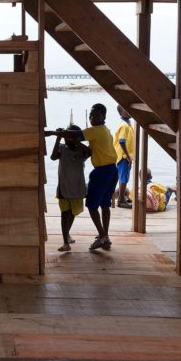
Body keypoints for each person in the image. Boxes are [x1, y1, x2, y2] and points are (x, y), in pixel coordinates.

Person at [79, 103, 119, 251]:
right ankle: (105, 236)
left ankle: (103, 237)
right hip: (112, 170)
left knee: (92, 206)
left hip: (101, 172)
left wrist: (53, 133)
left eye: (95, 115)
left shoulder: (94, 130)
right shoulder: (105, 130)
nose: (91, 117)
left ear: (103, 117)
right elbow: (91, 149)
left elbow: (74, 135)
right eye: (90, 115)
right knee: (105, 204)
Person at [50, 124, 91, 252]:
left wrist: (76, 141)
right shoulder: (61, 148)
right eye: (67, 136)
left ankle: (67, 233)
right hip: (64, 187)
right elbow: (53, 157)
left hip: (77, 188)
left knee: (73, 212)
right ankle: (65, 242)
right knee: (64, 213)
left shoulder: (81, 150)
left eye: (71, 136)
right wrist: (58, 137)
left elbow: (90, 152)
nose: (68, 138)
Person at [112, 105, 134, 208]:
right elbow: (121, 141)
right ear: (121, 113)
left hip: (123, 156)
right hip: (123, 156)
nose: (128, 112)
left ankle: (121, 199)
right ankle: (121, 201)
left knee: (122, 178)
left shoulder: (128, 124)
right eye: (125, 111)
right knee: (124, 178)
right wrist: (129, 157)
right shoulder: (124, 126)